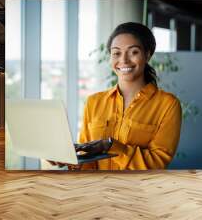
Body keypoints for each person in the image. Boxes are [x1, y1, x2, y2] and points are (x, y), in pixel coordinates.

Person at [76, 22, 182, 170]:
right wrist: (67, 160)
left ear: (148, 54)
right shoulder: (94, 102)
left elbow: (158, 162)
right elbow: (85, 160)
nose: (124, 60)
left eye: (133, 52)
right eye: (116, 53)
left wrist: (112, 146)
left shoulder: (168, 105)